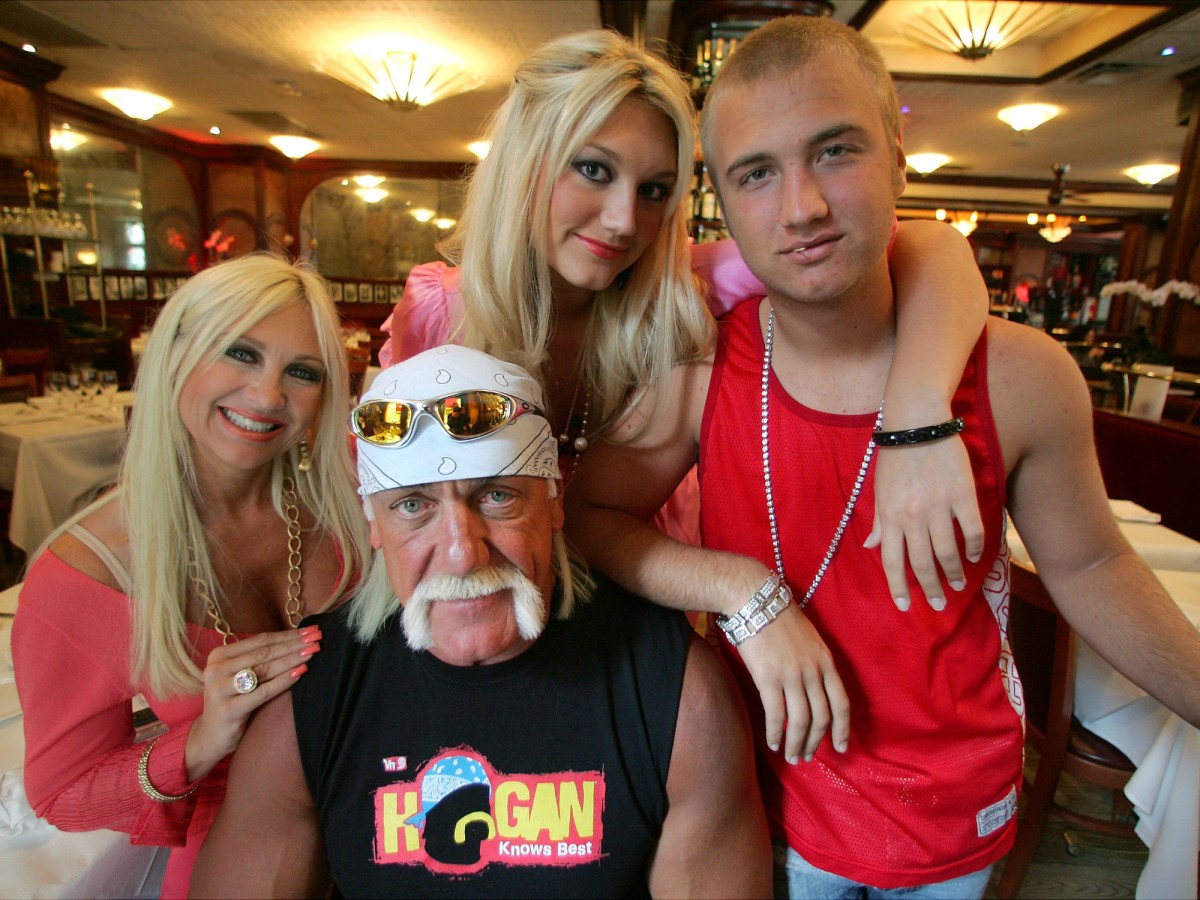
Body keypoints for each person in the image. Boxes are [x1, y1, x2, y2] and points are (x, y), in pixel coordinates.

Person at [564, 16, 1200, 898]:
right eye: (757, 173)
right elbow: (589, 518)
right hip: (774, 801)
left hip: (958, 811)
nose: (802, 207)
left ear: (898, 160)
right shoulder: (700, 366)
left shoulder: (1021, 375)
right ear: (725, 203)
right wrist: (742, 593)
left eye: (835, 151)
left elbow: (1091, 563)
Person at [378, 29, 991, 760]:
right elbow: (397, 515)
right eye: (594, 170)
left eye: (654, 190)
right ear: (525, 163)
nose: (623, 220)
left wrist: (918, 419)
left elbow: (923, 244)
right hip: (480, 646)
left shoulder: (685, 295)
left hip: (641, 656)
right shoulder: (436, 316)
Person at [191, 345, 771, 898]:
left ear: (553, 501)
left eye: (496, 496)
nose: (462, 553)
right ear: (374, 525)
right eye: (412, 506)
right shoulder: (311, 700)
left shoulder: (677, 694)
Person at [12, 254, 371, 898]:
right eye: (240, 353)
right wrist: (200, 741)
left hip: (388, 818)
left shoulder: (356, 498)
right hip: (242, 863)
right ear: (175, 356)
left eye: (302, 371)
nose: (267, 395)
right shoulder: (91, 572)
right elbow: (64, 795)